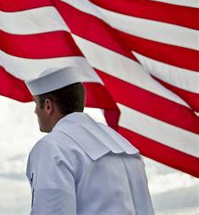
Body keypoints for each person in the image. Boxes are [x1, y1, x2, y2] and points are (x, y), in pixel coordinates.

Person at [25, 67, 153, 215]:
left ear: (48, 105)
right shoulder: (124, 145)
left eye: (36, 103)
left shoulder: (52, 147)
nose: (35, 111)